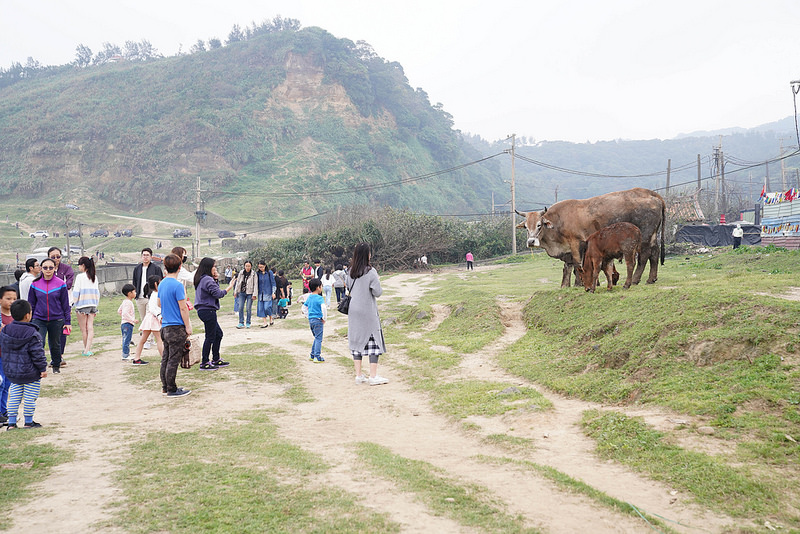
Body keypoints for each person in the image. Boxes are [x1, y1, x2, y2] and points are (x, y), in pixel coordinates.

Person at [1, 299, 47, 430]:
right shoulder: (33, 333)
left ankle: (11, 423)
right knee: (30, 397)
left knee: (14, 397)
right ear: (28, 315)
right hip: (30, 373)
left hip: (12, 372)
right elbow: (37, 354)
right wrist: (42, 368)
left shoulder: (5, 331)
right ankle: (28, 421)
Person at [346, 243, 388, 386]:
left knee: (356, 339)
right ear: (367, 255)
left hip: (353, 310)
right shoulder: (371, 271)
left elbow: (348, 287)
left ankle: (358, 375)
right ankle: (373, 376)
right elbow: (378, 292)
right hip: (367, 310)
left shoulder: (350, 271)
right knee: (373, 340)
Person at [158, 254, 192, 397]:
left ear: (165, 267)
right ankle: (172, 388)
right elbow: (183, 308)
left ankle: (165, 386)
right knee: (174, 359)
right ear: (179, 267)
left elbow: (159, 303)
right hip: (176, 327)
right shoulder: (178, 285)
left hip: (165, 327)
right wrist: (188, 326)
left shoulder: (162, 283)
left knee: (166, 357)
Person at [28, 258, 71, 373]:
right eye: (45, 267)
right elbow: (31, 304)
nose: (48, 270)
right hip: (38, 319)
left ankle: (56, 365)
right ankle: (39, 366)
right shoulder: (34, 284)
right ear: (41, 268)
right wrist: (29, 320)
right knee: (39, 342)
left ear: (55, 269)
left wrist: (68, 322)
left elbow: (65, 305)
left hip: (57, 319)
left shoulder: (61, 284)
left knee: (55, 344)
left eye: (51, 268)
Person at [194, 257, 234, 370]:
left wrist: (215, 279)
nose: (215, 268)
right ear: (208, 267)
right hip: (208, 311)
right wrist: (229, 287)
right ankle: (205, 362)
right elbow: (218, 294)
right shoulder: (207, 279)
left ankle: (215, 359)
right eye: (213, 266)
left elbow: (213, 291)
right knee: (210, 337)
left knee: (218, 334)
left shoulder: (203, 278)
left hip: (205, 310)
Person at [132, 248, 163, 349]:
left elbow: (160, 282)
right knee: (143, 319)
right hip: (139, 297)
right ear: (141, 256)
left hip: (151, 297)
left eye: (147, 255)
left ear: (151, 256)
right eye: (144, 255)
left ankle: (149, 340)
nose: (145, 257)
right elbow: (134, 282)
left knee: (151, 318)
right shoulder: (137, 268)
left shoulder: (156, 268)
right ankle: (149, 339)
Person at [132, 276, 165, 365]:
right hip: (154, 318)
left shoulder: (154, 294)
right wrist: (159, 316)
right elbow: (154, 308)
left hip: (150, 318)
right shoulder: (156, 294)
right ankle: (164, 359)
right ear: (156, 284)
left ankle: (136, 358)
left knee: (143, 339)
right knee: (159, 339)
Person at [48, 247, 74, 358]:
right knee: (51, 330)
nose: (55, 259)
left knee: (63, 328)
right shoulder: (46, 269)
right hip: (49, 303)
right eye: (53, 257)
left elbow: (68, 284)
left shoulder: (67, 269)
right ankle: (54, 355)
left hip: (65, 303)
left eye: (58, 256)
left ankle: (60, 354)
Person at [72, 257, 100, 356]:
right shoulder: (94, 277)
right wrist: (96, 305)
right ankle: (87, 349)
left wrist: (72, 304)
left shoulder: (80, 277)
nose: (79, 267)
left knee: (84, 329)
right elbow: (97, 293)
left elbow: (76, 292)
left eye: (79, 265)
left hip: (82, 305)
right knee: (90, 328)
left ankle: (86, 350)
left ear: (83, 265)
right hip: (92, 305)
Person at [0, 286, 17, 426]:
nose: (11, 301)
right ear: (0, 300)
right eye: (8, 298)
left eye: (14, 299)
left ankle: (3, 411)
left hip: (10, 356)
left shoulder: (15, 317)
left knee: (6, 385)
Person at [302, 278, 327, 362]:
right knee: (319, 339)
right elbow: (323, 308)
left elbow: (304, 307)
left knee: (316, 337)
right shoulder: (319, 298)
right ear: (318, 287)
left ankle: (312, 355)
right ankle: (317, 356)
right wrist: (324, 318)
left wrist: (307, 315)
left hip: (311, 320)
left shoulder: (309, 297)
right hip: (318, 320)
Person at [117, 284, 140, 362]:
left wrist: (124, 318)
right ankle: (125, 355)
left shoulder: (124, 302)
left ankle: (126, 354)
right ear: (130, 293)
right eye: (134, 292)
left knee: (125, 339)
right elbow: (125, 313)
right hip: (128, 324)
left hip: (124, 323)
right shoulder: (129, 303)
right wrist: (132, 319)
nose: (135, 293)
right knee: (127, 339)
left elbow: (119, 311)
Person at [233, 260, 258, 328]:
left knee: (248, 308)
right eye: (246, 266)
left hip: (250, 292)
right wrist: (235, 292)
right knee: (240, 307)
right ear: (244, 266)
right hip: (242, 292)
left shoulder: (253, 274)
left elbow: (255, 284)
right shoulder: (241, 273)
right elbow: (238, 283)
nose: (247, 267)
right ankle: (241, 322)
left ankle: (248, 322)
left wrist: (254, 294)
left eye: (249, 266)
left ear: (251, 266)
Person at [256, 261, 276, 328]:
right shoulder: (258, 273)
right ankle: (265, 322)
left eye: (261, 267)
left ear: (265, 266)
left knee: (267, 307)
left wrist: (273, 292)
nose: (260, 268)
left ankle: (270, 317)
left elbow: (273, 283)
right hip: (260, 294)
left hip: (268, 293)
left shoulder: (269, 273)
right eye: (259, 267)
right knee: (261, 308)